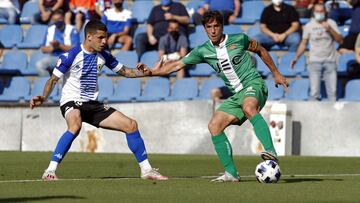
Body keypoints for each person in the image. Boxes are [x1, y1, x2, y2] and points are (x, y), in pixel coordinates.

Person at [137, 11, 289, 182]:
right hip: (236, 94)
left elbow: (260, 50)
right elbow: (177, 64)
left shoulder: (239, 39)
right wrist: (152, 71)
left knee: (248, 107)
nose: (213, 30)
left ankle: (270, 150)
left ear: (222, 26)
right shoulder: (203, 51)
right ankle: (231, 173)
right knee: (214, 125)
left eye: (216, 26)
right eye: (209, 27)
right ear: (204, 29)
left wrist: (276, 73)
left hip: (254, 84)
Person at [30, 20, 168, 181]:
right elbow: (53, 80)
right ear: (89, 37)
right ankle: (50, 171)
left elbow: (126, 72)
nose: (104, 42)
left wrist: (150, 72)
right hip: (72, 101)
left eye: (106, 38)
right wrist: (43, 97)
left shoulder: (104, 56)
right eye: (100, 38)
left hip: (93, 105)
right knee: (75, 125)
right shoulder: (71, 55)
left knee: (131, 125)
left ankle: (147, 171)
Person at [291, 3, 343, 101]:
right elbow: (303, 43)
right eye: (317, 11)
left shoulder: (331, 23)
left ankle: (333, 114)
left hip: (330, 61)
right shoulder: (309, 26)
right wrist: (296, 57)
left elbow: (340, 40)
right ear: (314, 12)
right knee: (314, 93)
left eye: (321, 11)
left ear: (325, 12)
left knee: (332, 93)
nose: (319, 13)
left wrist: (330, 30)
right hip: (315, 61)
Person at [36, 9, 80, 76]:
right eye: (55, 20)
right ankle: (49, 85)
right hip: (54, 57)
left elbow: (76, 49)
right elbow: (43, 49)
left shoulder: (71, 29)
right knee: (39, 65)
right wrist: (52, 47)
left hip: (68, 58)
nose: (58, 22)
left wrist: (59, 46)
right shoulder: (50, 29)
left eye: (59, 19)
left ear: (63, 18)